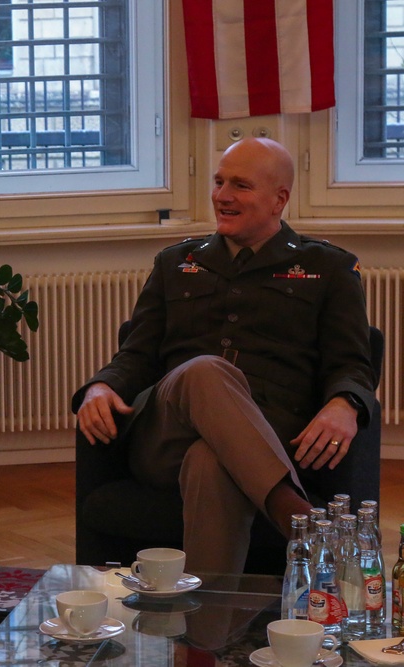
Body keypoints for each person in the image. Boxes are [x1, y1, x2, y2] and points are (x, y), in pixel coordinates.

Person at [72, 137, 376, 574]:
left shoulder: (328, 269)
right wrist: (100, 385)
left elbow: (352, 363)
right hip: (163, 438)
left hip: (269, 439)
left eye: (240, 185)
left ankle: (204, 638)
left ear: (279, 199)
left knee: (212, 462)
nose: (222, 196)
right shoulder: (175, 263)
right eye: (218, 182)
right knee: (205, 371)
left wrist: (345, 402)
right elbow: (136, 354)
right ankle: (296, 516)